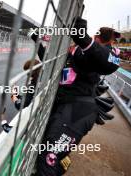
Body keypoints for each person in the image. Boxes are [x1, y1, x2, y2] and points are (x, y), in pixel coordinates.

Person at [34, 17, 120, 176]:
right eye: (109, 39)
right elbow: (52, 61)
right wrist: (37, 41)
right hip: (66, 108)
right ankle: (62, 163)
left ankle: (59, 163)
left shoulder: (98, 52)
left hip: (77, 112)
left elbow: (111, 62)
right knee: (48, 155)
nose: (111, 43)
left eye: (113, 41)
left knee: (48, 159)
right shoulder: (75, 51)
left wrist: (84, 39)